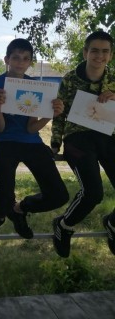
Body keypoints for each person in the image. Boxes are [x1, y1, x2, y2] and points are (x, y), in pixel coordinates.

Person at [0, 38, 69, 243]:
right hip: (5, 142)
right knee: (4, 188)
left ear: (30, 62)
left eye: (26, 58)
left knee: (59, 195)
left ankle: (19, 209)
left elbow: (31, 128)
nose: (20, 62)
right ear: (6, 59)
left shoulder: (34, 85)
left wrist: (50, 115)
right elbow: (0, 128)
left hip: (32, 142)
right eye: (16, 57)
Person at [51, 30, 115, 258]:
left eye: (105, 51)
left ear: (111, 55)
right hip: (78, 138)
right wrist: (55, 142)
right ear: (85, 52)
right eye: (94, 50)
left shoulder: (114, 78)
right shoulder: (70, 79)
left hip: (108, 135)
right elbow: (58, 112)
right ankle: (64, 225)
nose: (100, 56)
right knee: (93, 192)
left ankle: (113, 223)